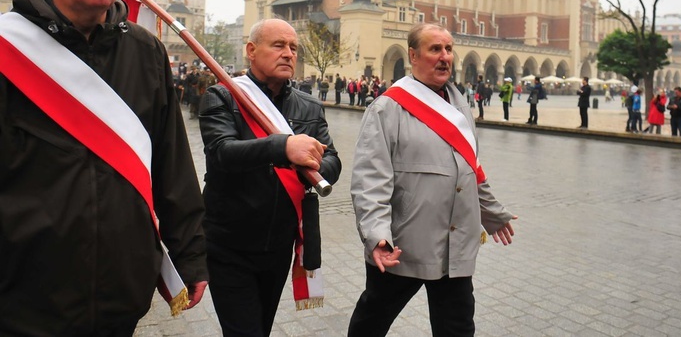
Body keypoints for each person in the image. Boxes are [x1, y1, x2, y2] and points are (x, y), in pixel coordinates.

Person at [0, 0, 208, 336]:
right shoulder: (8, 50)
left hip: (120, 292)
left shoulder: (145, 51)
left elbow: (172, 163)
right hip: (25, 298)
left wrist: (189, 255)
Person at [348, 23, 517, 337]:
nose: (445, 57)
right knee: (372, 320)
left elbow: (472, 168)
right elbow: (370, 182)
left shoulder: (460, 105)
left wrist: (492, 213)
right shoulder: (387, 108)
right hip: (404, 245)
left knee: (457, 327)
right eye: (435, 49)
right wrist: (377, 236)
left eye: (449, 49)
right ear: (413, 55)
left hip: (456, 246)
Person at [198, 18, 342, 337]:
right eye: (278, 45)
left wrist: (312, 170)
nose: (288, 53)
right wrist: (283, 146)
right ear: (251, 50)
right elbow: (222, 153)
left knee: (259, 328)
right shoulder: (223, 97)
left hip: (278, 244)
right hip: (229, 243)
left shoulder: (309, 105)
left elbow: (332, 159)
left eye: (293, 47)